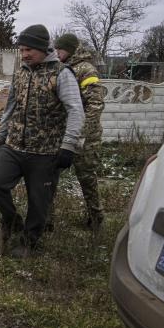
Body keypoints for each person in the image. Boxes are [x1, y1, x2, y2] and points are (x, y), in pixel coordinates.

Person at [0, 24, 85, 258]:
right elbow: (10, 105)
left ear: (43, 48)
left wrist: (68, 146)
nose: (25, 54)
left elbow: (76, 111)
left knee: (39, 202)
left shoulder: (62, 73)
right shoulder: (21, 71)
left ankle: (30, 241)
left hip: (45, 152)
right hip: (15, 146)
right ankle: (12, 221)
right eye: (22, 49)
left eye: (29, 49)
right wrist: (0, 139)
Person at [54, 33, 106, 231]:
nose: (57, 53)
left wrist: (82, 133)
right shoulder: (60, 69)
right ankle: (46, 219)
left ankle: (96, 218)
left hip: (85, 137)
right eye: (56, 49)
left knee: (86, 178)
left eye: (61, 49)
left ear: (71, 50)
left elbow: (95, 104)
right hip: (63, 135)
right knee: (51, 176)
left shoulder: (85, 70)